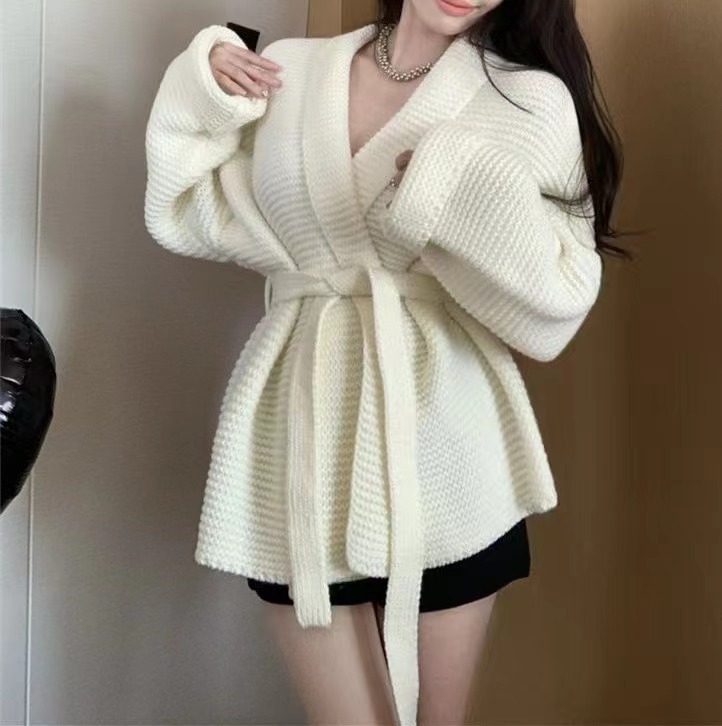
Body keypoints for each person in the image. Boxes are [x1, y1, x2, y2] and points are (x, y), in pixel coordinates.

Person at [143, 0, 624, 723]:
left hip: (446, 455)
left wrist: (450, 188)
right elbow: (190, 205)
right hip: (300, 440)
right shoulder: (294, 72)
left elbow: (556, 303)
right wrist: (205, 87)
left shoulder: (527, 99)